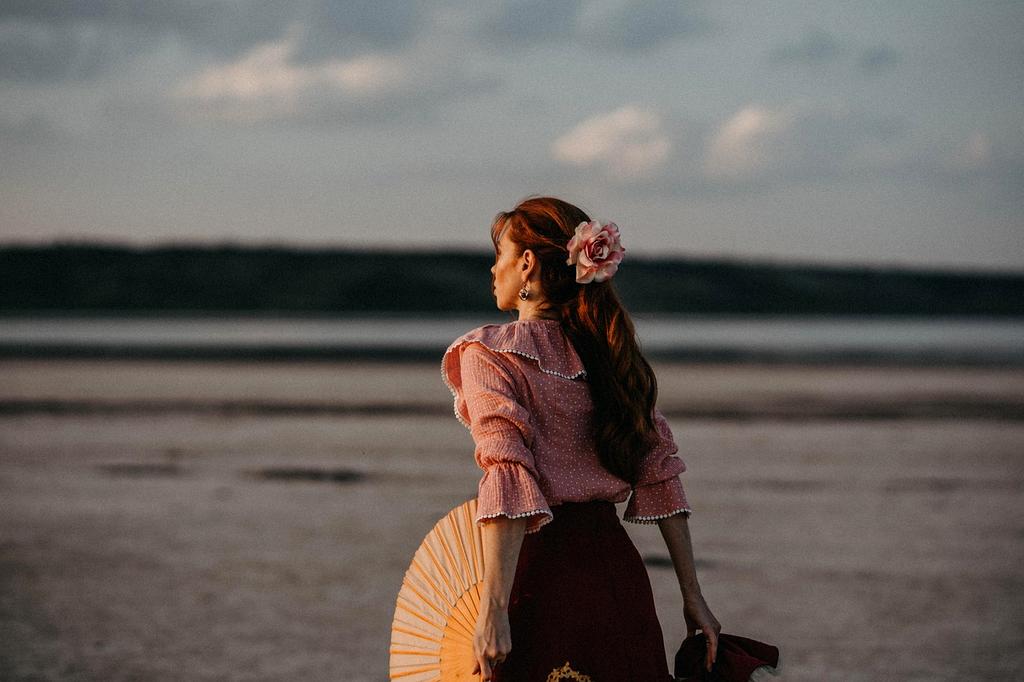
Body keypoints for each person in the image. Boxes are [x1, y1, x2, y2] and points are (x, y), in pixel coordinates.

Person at [441, 197, 720, 681]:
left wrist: (492, 609)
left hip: (537, 578)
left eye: (499, 254)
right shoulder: (612, 353)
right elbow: (660, 471)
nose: (492, 268)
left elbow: (509, 477)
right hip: (616, 577)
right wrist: (692, 596)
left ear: (527, 264)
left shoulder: (487, 353)